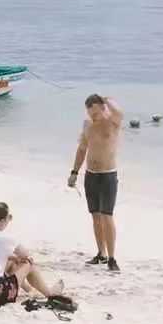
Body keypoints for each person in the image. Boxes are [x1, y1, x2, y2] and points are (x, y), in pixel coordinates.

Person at [0, 202, 63, 309]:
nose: (9, 221)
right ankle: (50, 294)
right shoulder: (7, 239)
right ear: (1, 221)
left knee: (12, 261)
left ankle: (30, 290)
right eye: (8, 218)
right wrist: (20, 258)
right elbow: (25, 256)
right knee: (28, 263)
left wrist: (14, 258)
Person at [67, 93, 123, 271]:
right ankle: (101, 254)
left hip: (108, 175)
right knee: (95, 215)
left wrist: (105, 98)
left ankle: (112, 258)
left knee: (107, 215)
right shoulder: (87, 124)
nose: (93, 117)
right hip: (91, 175)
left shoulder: (113, 122)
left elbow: (119, 111)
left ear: (103, 108)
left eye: (96, 113)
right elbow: (82, 148)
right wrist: (74, 172)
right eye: (90, 114)